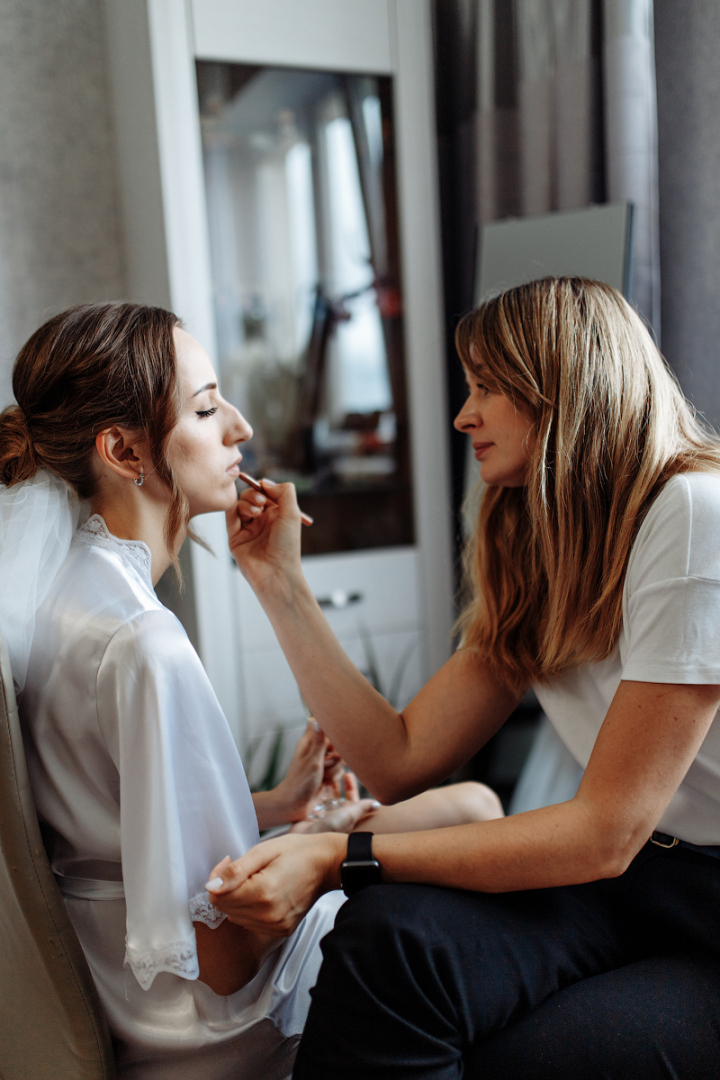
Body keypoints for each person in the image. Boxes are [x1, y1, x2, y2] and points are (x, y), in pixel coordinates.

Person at [208, 277, 720, 1079]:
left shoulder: (695, 515)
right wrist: (279, 582)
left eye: (486, 387)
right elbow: (400, 757)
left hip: (696, 902)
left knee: (512, 1061)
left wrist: (346, 854)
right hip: (638, 882)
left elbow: (604, 832)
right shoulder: (547, 547)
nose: (463, 415)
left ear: (560, 390)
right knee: (390, 939)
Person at [0, 303, 501, 1080]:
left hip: (120, 966)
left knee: (459, 810)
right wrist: (314, 851)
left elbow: (103, 821)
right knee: (471, 816)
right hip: (198, 1013)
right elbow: (222, 954)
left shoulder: (65, 598)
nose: (238, 427)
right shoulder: (143, 643)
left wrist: (276, 806)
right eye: (204, 408)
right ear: (123, 450)